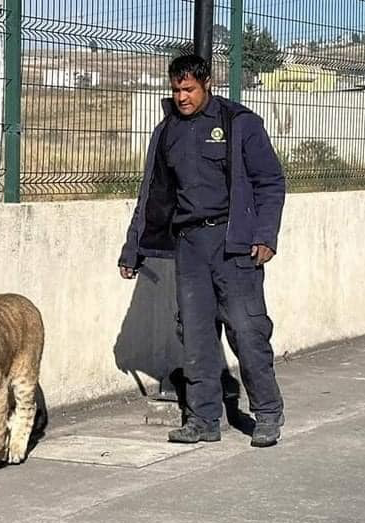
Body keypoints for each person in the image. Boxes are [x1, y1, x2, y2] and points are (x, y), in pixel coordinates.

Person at [118, 54, 286, 447]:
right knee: (195, 337)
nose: (181, 97)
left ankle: (267, 414)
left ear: (207, 83)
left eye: (188, 89)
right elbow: (152, 194)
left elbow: (270, 181)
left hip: (234, 244)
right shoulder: (167, 132)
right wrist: (133, 249)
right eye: (175, 90)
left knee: (246, 331)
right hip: (189, 246)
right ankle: (203, 419)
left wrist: (265, 235)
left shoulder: (238, 123)